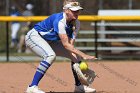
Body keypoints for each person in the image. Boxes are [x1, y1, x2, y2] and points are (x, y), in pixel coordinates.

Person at [25, 0, 96, 93]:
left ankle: (79, 87)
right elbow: (66, 45)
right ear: (66, 10)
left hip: (50, 41)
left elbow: (70, 46)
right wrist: (84, 55)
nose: (76, 13)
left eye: (78, 10)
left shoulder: (76, 23)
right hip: (34, 37)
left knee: (76, 56)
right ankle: (32, 87)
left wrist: (77, 62)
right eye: (73, 10)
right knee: (50, 56)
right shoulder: (60, 21)